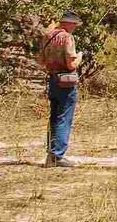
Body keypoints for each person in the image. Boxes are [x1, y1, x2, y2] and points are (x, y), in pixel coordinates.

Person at [37, 10, 84, 168]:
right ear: (69, 23)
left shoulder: (47, 36)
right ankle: (57, 156)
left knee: (54, 117)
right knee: (64, 117)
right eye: (75, 25)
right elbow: (71, 64)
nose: (75, 28)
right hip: (66, 82)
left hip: (52, 80)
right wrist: (80, 57)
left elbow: (41, 61)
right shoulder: (67, 38)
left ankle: (50, 155)